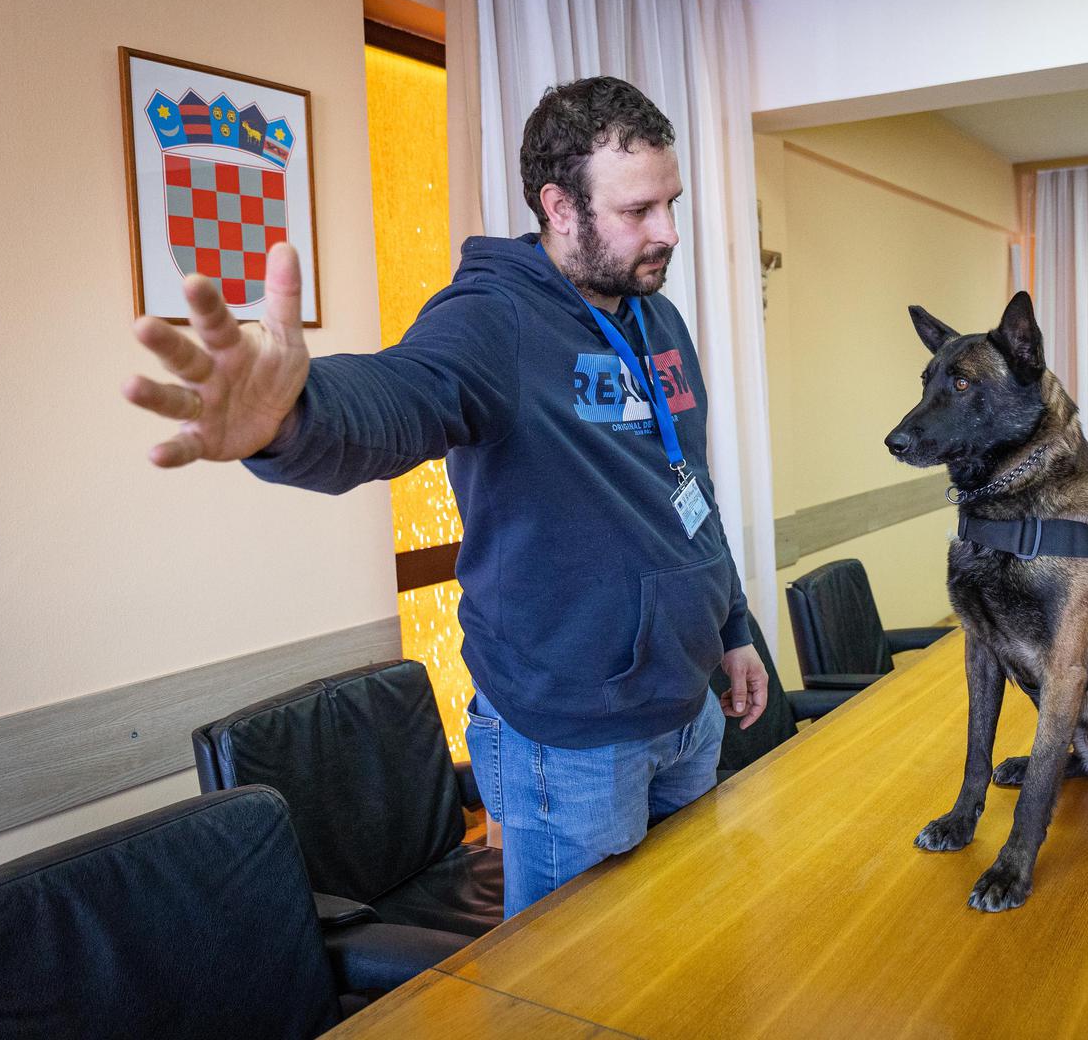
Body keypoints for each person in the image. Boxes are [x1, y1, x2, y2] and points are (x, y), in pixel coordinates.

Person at [123, 77, 769, 914]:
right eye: (638, 210)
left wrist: (732, 627)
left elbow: (688, 486)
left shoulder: (657, 319)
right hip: (569, 739)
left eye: (670, 203)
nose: (668, 233)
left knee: (683, 950)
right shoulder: (491, 320)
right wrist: (292, 419)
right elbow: (404, 393)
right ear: (558, 206)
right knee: (568, 991)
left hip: (686, 709)